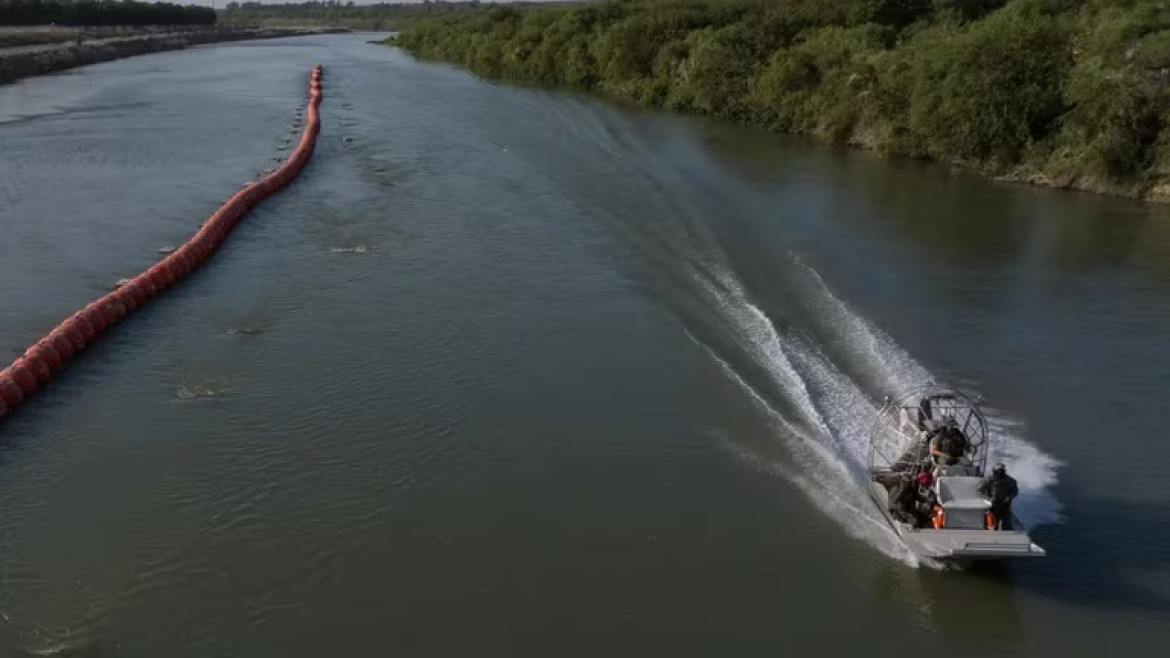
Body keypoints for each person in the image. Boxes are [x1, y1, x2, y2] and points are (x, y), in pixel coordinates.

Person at [978, 463, 1019, 530]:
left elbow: (1015, 492)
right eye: (997, 472)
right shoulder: (989, 479)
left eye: (1000, 472)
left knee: (1007, 526)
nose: (998, 473)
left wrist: (1009, 497)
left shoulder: (1010, 481)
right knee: (992, 526)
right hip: (992, 506)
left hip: (1005, 506)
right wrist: (987, 498)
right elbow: (980, 489)